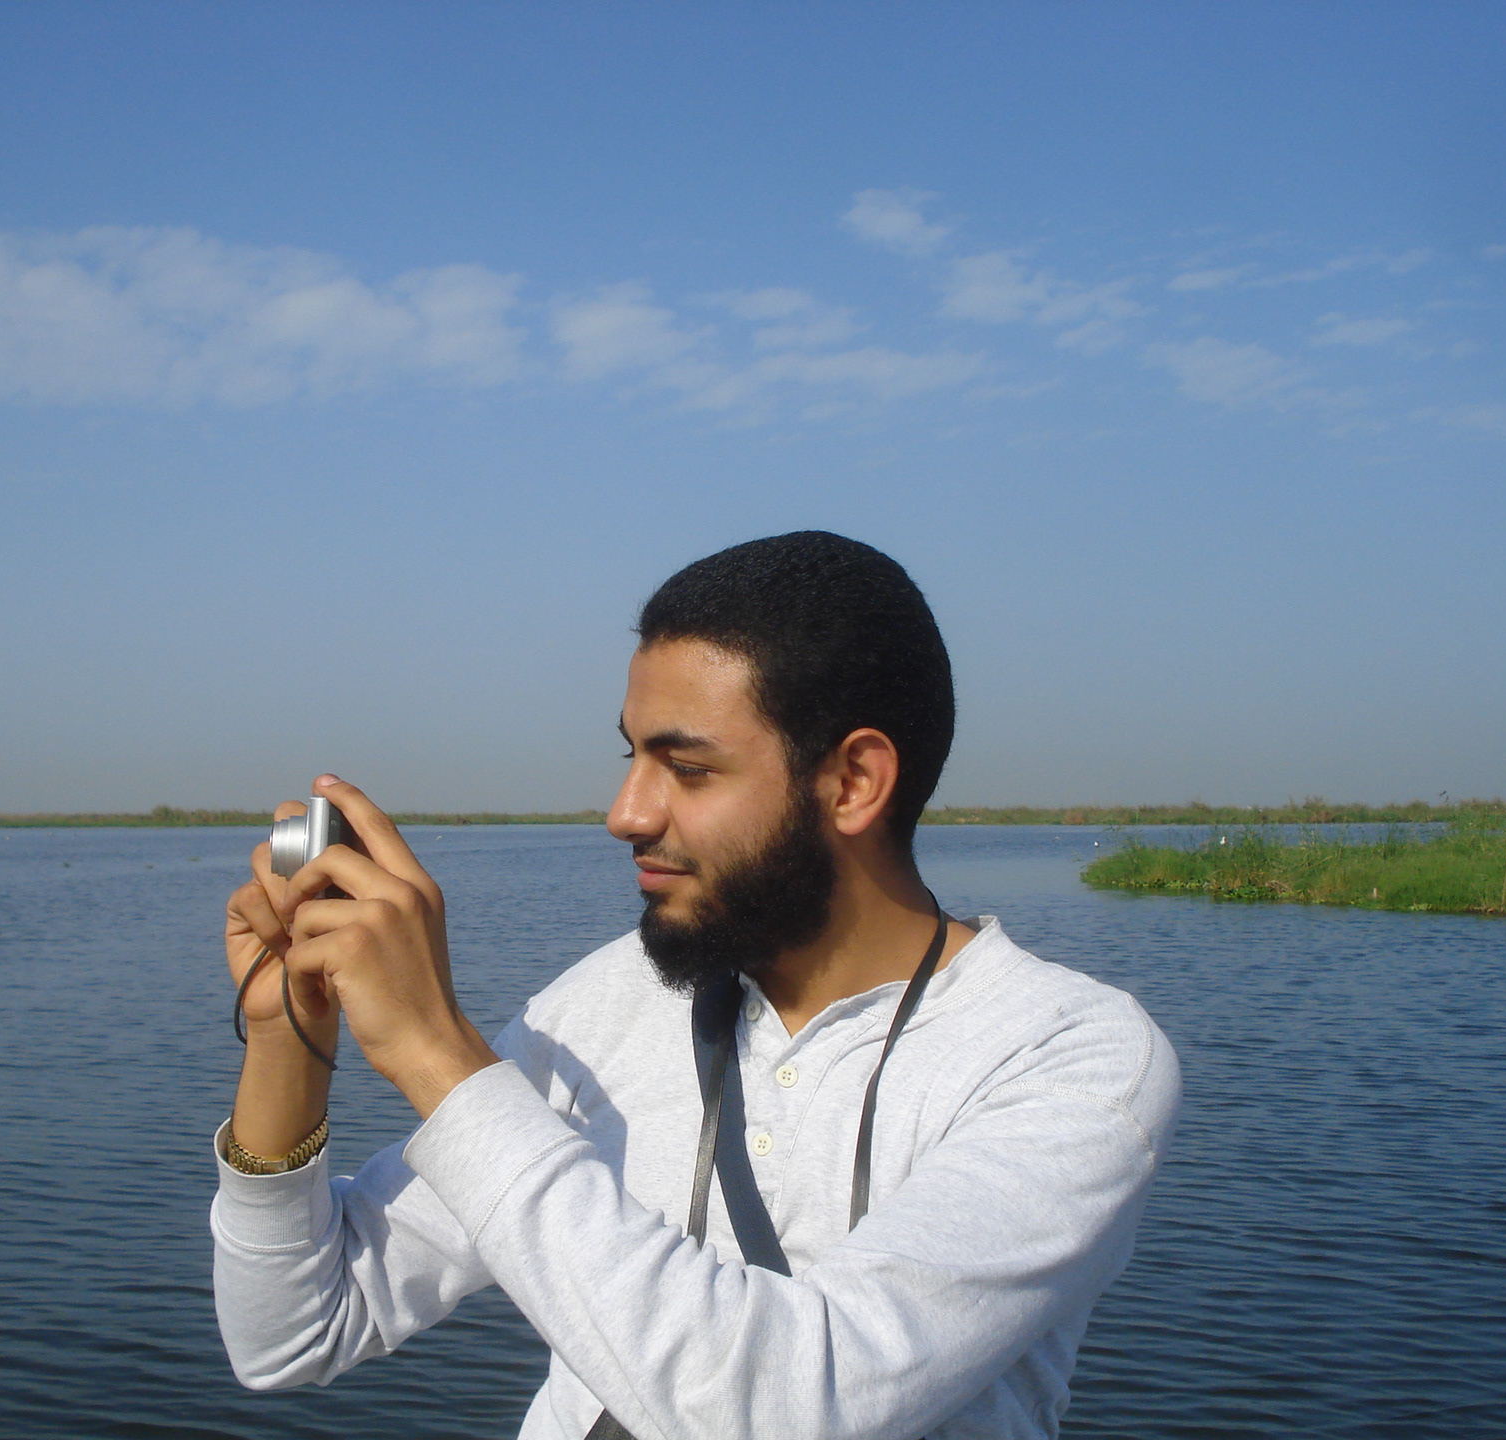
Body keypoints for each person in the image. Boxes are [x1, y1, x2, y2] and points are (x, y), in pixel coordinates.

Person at [212, 531, 1180, 1439]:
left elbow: (794, 1400)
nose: (624, 813)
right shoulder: (606, 1001)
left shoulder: (1069, 1054)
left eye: (686, 767)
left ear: (853, 783)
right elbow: (295, 1330)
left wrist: (435, 1052)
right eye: (629, 755)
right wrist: (286, 1043)